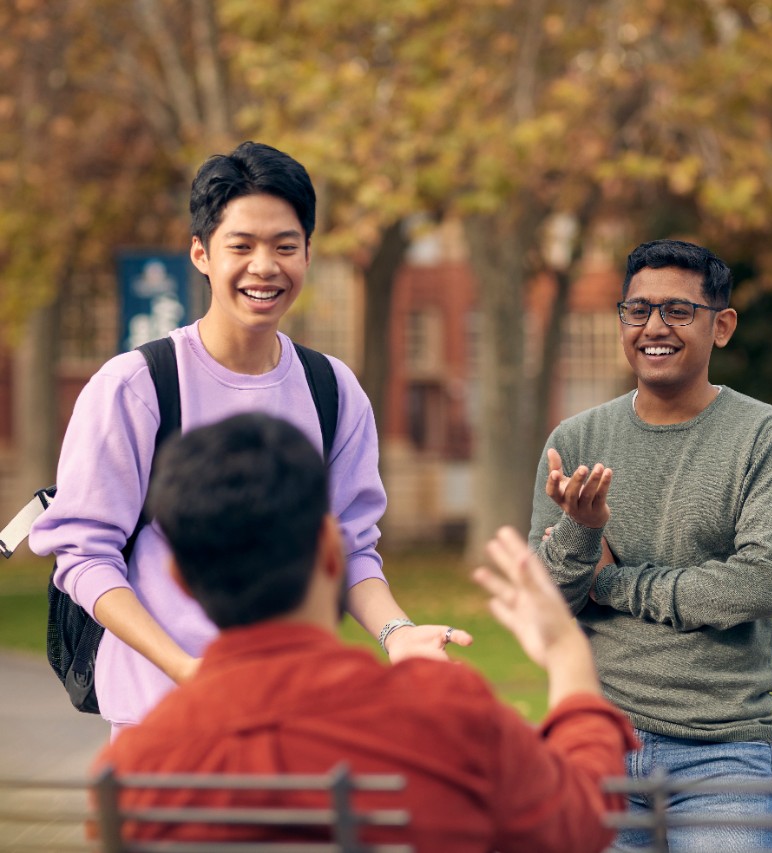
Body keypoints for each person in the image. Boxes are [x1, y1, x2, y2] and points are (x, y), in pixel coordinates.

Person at [29, 141, 468, 736]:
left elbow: (351, 545)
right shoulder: (137, 386)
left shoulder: (332, 390)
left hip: (294, 717)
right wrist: (187, 669)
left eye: (285, 247)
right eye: (242, 246)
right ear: (201, 254)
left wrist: (397, 632)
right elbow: (84, 554)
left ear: (309, 254)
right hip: (164, 722)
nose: (265, 266)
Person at [95, 412, 635, 851]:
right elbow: (580, 820)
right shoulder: (444, 714)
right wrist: (567, 653)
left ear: (180, 581)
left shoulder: (135, 769)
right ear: (332, 550)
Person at [528, 239, 772, 851]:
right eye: (638, 311)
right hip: (595, 743)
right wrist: (580, 531)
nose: (654, 328)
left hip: (721, 754)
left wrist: (612, 581)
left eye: (678, 312)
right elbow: (545, 606)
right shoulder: (576, 439)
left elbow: (757, 585)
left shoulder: (766, 437)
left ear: (722, 326)